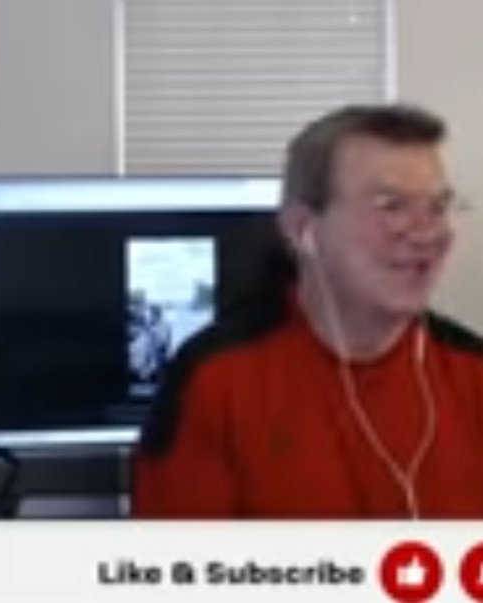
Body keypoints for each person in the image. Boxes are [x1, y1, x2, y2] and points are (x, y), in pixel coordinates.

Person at [133, 104, 483, 518]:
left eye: (438, 207)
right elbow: (173, 556)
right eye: (390, 205)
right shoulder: (215, 378)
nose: (427, 233)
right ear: (302, 228)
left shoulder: (472, 372)